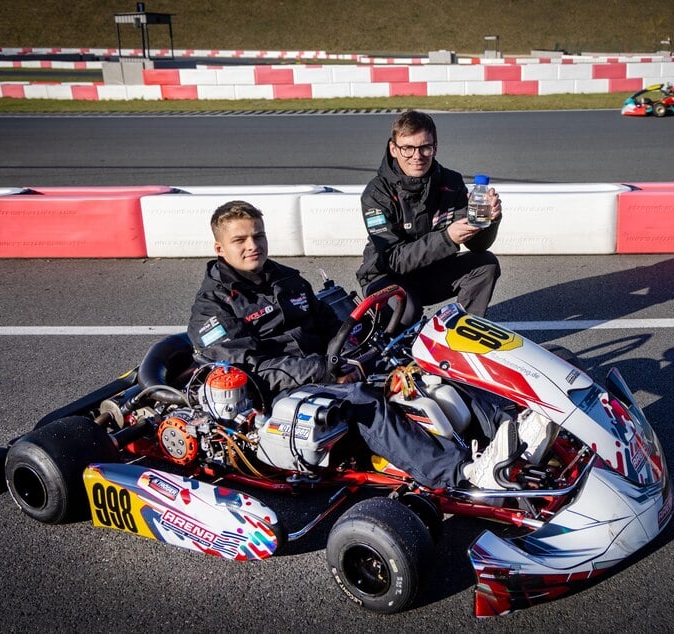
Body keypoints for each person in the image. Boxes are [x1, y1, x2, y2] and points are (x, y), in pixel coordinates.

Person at [187, 200, 517, 490]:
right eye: (240, 240)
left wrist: (353, 353)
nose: (253, 245)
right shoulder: (211, 308)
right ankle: (460, 472)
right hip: (280, 389)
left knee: (417, 368)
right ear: (220, 248)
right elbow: (253, 368)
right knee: (364, 401)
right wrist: (328, 370)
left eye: (258, 236)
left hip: (327, 365)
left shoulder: (285, 278)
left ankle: (509, 428)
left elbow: (329, 323)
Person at [356, 110, 503, 328]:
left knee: (486, 264)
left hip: (429, 272)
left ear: (435, 147)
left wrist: (488, 220)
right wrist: (447, 238)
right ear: (393, 149)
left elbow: (478, 246)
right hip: (385, 275)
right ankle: (388, 341)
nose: (417, 156)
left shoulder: (451, 182)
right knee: (406, 310)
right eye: (408, 148)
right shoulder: (377, 193)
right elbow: (393, 259)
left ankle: (461, 333)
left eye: (425, 147)